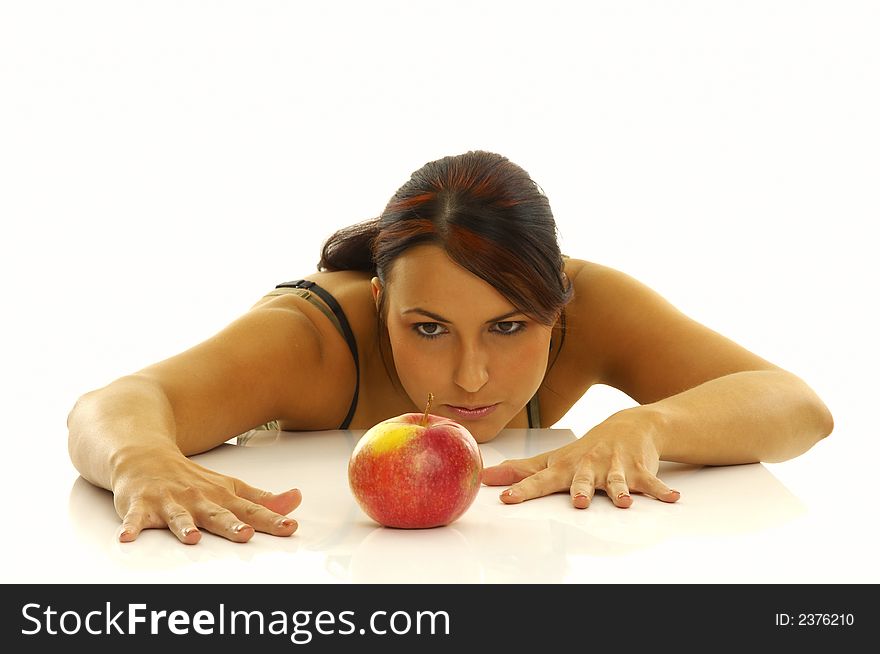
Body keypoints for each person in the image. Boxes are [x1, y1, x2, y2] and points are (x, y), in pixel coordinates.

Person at [67, 150, 834, 545]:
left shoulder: (588, 303)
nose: (472, 376)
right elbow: (118, 404)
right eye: (427, 328)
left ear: (556, 302)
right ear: (380, 302)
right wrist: (141, 461)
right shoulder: (313, 339)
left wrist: (650, 425)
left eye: (509, 326)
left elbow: (798, 406)